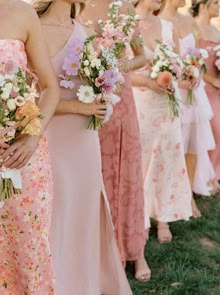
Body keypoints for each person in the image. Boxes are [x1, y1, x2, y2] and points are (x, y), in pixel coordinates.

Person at [33, 0, 133, 294]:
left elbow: (101, 85)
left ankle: (86, 283)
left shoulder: (86, 32)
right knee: (54, 210)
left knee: (85, 207)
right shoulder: (32, 28)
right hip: (46, 138)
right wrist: (79, 106)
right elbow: (30, 99)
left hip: (83, 141)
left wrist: (104, 105)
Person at [0, 0, 60, 293]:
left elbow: (50, 88)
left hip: (24, 160)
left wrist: (32, 137)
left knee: (28, 251)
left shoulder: (23, 12)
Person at [81, 0, 151, 281]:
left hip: (122, 102)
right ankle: (95, 252)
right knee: (93, 176)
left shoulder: (126, 10)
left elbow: (142, 56)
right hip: (87, 99)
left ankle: (135, 250)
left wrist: (118, 65)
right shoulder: (76, 7)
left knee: (128, 172)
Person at [131, 0, 193, 244]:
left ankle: (164, 217)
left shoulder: (168, 26)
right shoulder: (125, 24)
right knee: (143, 159)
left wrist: (187, 75)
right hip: (141, 104)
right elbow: (119, 71)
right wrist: (148, 82)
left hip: (167, 104)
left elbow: (179, 65)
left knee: (167, 157)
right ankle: (142, 217)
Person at [161, 0, 218, 201]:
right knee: (172, 143)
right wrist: (179, 80)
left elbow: (198, 56)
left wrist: (197, 74)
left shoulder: (188, 21)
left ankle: (188, 194)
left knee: (193, 143)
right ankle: (169, 192)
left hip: (194, 90)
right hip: (173, 90)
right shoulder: (159, 21)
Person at [193, 0, 220, 187]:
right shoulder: (194, 28)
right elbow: (193, 61)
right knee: (213, 130)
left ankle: (214, 174)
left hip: (217, 89)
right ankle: (204, 176)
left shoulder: (217, 31)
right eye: (215, 3)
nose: (219, 6)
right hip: (203, 87)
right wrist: (212, 80)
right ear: (202, 5)